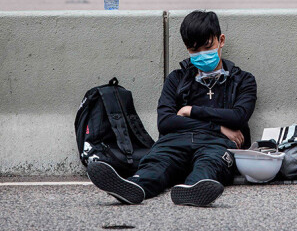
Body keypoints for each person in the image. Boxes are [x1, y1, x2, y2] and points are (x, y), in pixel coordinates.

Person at [87, 11, 257, 207]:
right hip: (177, 141)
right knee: (158, 161)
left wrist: (191, 110)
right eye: (194, 50)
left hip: (215, 145)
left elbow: (238, 117)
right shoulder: (177, 79)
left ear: (221, 40)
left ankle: (195, 189)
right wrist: (218, 127)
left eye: (207, 46)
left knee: (209, 164)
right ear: (187, 49)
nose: (202, 54)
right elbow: (166, 122)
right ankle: (133, 186)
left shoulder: (243, 80)